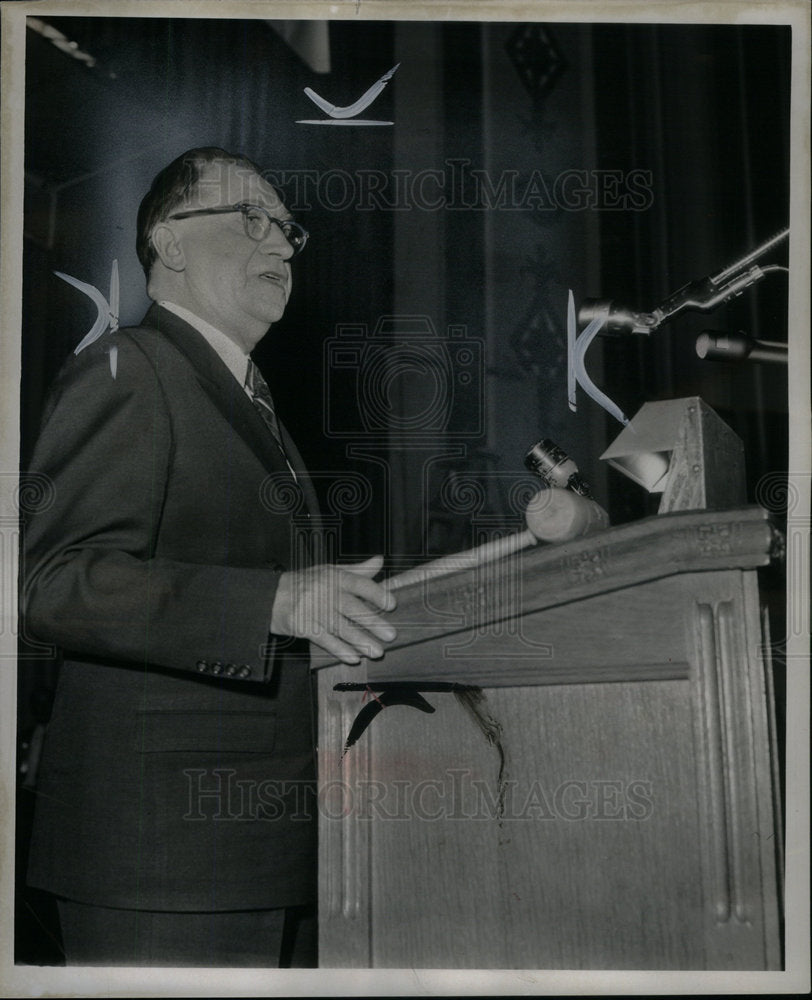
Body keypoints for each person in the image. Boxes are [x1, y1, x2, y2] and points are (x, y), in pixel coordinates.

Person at [21, 146, 397, 967]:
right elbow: (53, 585)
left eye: (289, 228)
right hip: (165, 861)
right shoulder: (127, 371)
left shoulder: (250, 402)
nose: (284, 246)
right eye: (253, 218)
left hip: (272, 853)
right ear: (172, 241)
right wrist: (275, 603)